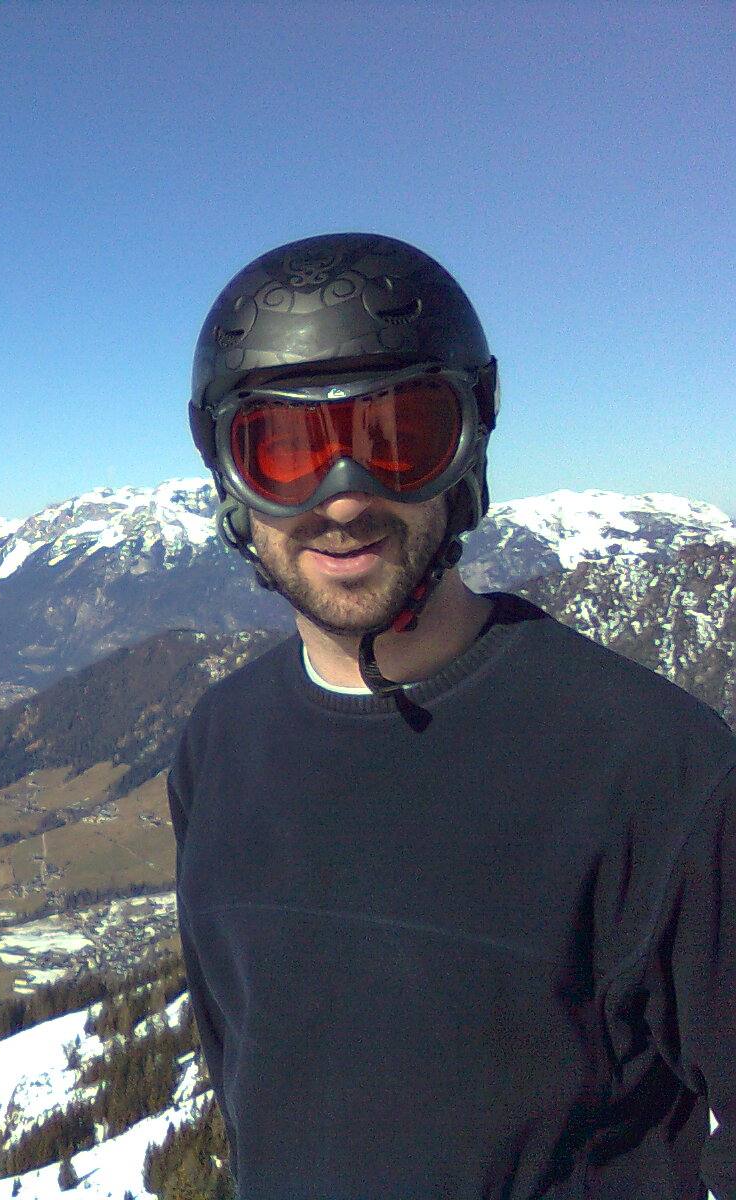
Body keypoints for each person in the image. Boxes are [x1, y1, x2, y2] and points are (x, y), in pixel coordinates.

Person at [168, 232, 736, 1198]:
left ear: (467, 452)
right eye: (286, 451)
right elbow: (249, 1076)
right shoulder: (216, 746)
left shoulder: (658, 770)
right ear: (231, 481)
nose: (342, 499)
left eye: (399, 435)